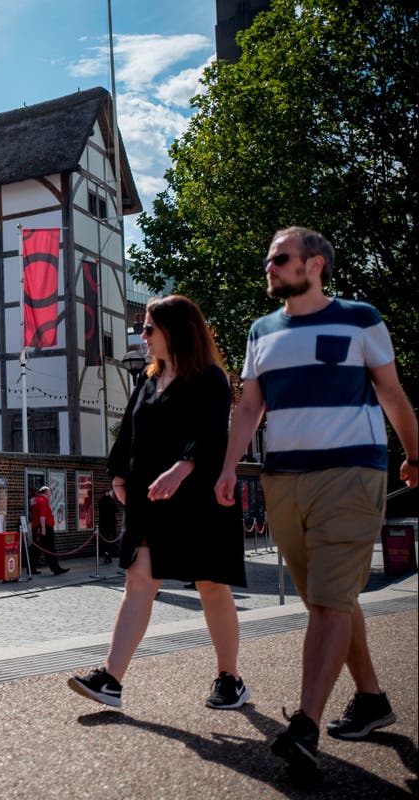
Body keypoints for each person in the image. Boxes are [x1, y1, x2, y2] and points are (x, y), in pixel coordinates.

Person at [215, 226, 418, 782]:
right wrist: (230, 466)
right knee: (328, 598)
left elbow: (390, 392)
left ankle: (304, 726)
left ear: (316, 264)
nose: (270, 267)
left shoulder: (360, 317)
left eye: (280, 258)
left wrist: (415, 457)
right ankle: (372, 699)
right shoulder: (261, 330)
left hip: (352, 474)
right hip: (284, 481)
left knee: (330, 599)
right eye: (268, 259)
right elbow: (249, 405)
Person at [69, 294, 248, 711]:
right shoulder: (147, 382)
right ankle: (111, 679)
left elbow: (211, 433)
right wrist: (117, 475)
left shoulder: (210, 379)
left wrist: (182, 468)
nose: (142, 335)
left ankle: (230, 677)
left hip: (199, 499)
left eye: (149, 327)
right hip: (149, 501)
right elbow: (128, 434)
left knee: (211, 586)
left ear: (176, 331)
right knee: (139, 582)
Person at [30, 486, 68, 575]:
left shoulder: (36, 500)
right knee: (50, 548)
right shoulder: (43, 501)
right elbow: (42, 516)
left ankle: (31, 568)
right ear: (45, 492)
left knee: (37, 549)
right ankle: (56, 569)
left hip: (37, 527)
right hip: (44, 527)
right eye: (50, 492)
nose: (51, 493)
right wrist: (43, 528)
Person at [97, 488, 120, 564]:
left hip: (103, 525)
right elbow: (117, 510)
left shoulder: (100, 501)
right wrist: (112, 499)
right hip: (111, 524)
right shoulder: (111, 501)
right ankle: (112, 554)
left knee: (105, 541)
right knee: (113, 540)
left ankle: (107, 556)